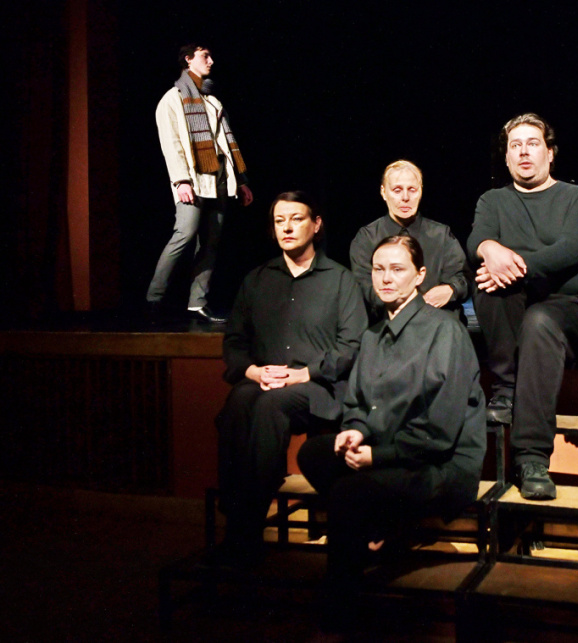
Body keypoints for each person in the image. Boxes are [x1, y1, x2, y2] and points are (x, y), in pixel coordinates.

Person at [297, 235, 486, 597]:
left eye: (398, 269)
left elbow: (439, 431)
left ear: (420, 276)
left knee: (349, 493)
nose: (385, 278)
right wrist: (354, 430)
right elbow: (358, 402)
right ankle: (380, 531)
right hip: (390, 449)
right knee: (315, 454)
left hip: (437, 463)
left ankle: (343, 597)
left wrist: (378, 456)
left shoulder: (445, 332)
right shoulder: (372, 335)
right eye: (378, 269)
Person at [215, 191, 367, 564]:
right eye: (280, 220)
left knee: (270, 404)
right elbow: (234, 342)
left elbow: (351, 346)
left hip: (319, 388)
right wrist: (253, 371)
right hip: (266, 382)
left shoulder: (340, 279)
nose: (287, 227)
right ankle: (235, 513)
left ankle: (246, 528)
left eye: (296, 219)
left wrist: (303, 374)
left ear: (316, 225)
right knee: (239, 399)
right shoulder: (257, 279)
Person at [467, 113, 578, 500]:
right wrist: (487, 247)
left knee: (537, 319)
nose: (524, 152)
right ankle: (505, 388)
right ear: (507, 158)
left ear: (550, 153)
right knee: (486, 284)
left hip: (566, 307)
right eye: (516, 146)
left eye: (533, 144)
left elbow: (572, 248)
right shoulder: (493, 200)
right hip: (516, 305)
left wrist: (511, 265)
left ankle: (531, 458)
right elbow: (477, 238)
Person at [146, 43, 254, 323]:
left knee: (211, 242)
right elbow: (171, 144)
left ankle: (197, 302)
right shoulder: (173, 99)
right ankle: (154, 299)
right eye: (205, 56)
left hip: (220, 178)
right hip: (193, 178)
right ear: (188, 59)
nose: (211, 61)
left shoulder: (213, 101)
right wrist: (181, 180)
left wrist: (241, 180)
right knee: (185, 233)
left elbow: (227, 144)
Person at [349, 160, 470, 322]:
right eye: (397, 190)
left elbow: (464, 278)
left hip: (438, 327)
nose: (405, 198)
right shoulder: (367, 238)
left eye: (412, 190)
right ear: (383, 192)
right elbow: (364, 287)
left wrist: (451, 289)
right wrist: (411, 308)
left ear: (421, 191)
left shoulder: (441, 235)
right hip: (387, 327)